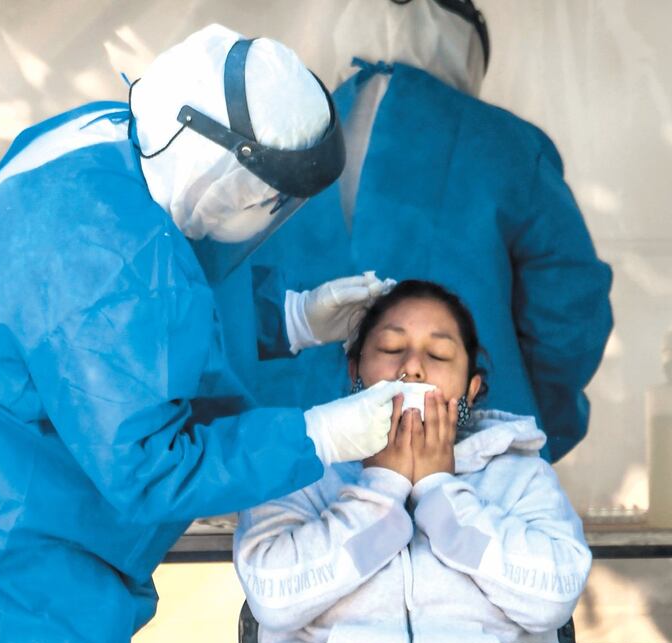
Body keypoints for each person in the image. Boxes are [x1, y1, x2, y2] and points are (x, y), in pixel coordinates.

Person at [0, 25, 404, 643]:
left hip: (1, 492)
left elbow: (163, 312)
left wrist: (290, 318)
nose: (270, 211)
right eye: (268, 197)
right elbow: (150, 467)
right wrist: (315, 438)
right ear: (217, 162)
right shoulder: (107, 261)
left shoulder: (115, 140)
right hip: (7, 565)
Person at [250, 0, 614, 462]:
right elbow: (569, 314)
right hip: (470, 458)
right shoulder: (506, 146)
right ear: (465, 46)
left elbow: (228, 304)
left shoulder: (276, 150)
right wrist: (529, 421)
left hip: (296, 457)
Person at [236, 280, 592, 643]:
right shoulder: (303, 467)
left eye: (438, 354)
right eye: (391, 349)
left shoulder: (521, 474)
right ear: (355, 371)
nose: (412, 368)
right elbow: (273, 599)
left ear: (470, 391)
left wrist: (439, 492)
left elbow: (553, 597)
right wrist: (381, 490)